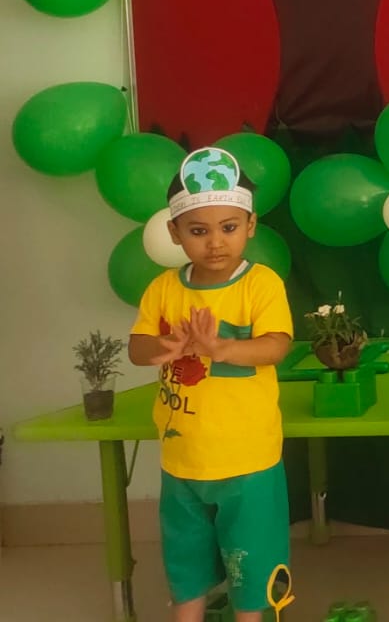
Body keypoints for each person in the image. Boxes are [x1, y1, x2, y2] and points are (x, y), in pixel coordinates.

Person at [128, 147, 294, 622]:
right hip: (181, 461)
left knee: (252, 572)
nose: (216, 243)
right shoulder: (164, 289)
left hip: (248, 462)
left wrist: (220, 348)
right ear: (174, 232)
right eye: (198, 231)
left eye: (229, 227)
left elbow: (276, 346)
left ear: (251, 226)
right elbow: (138, 348)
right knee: (186, 570)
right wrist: (167, 345)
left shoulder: (261, 284)